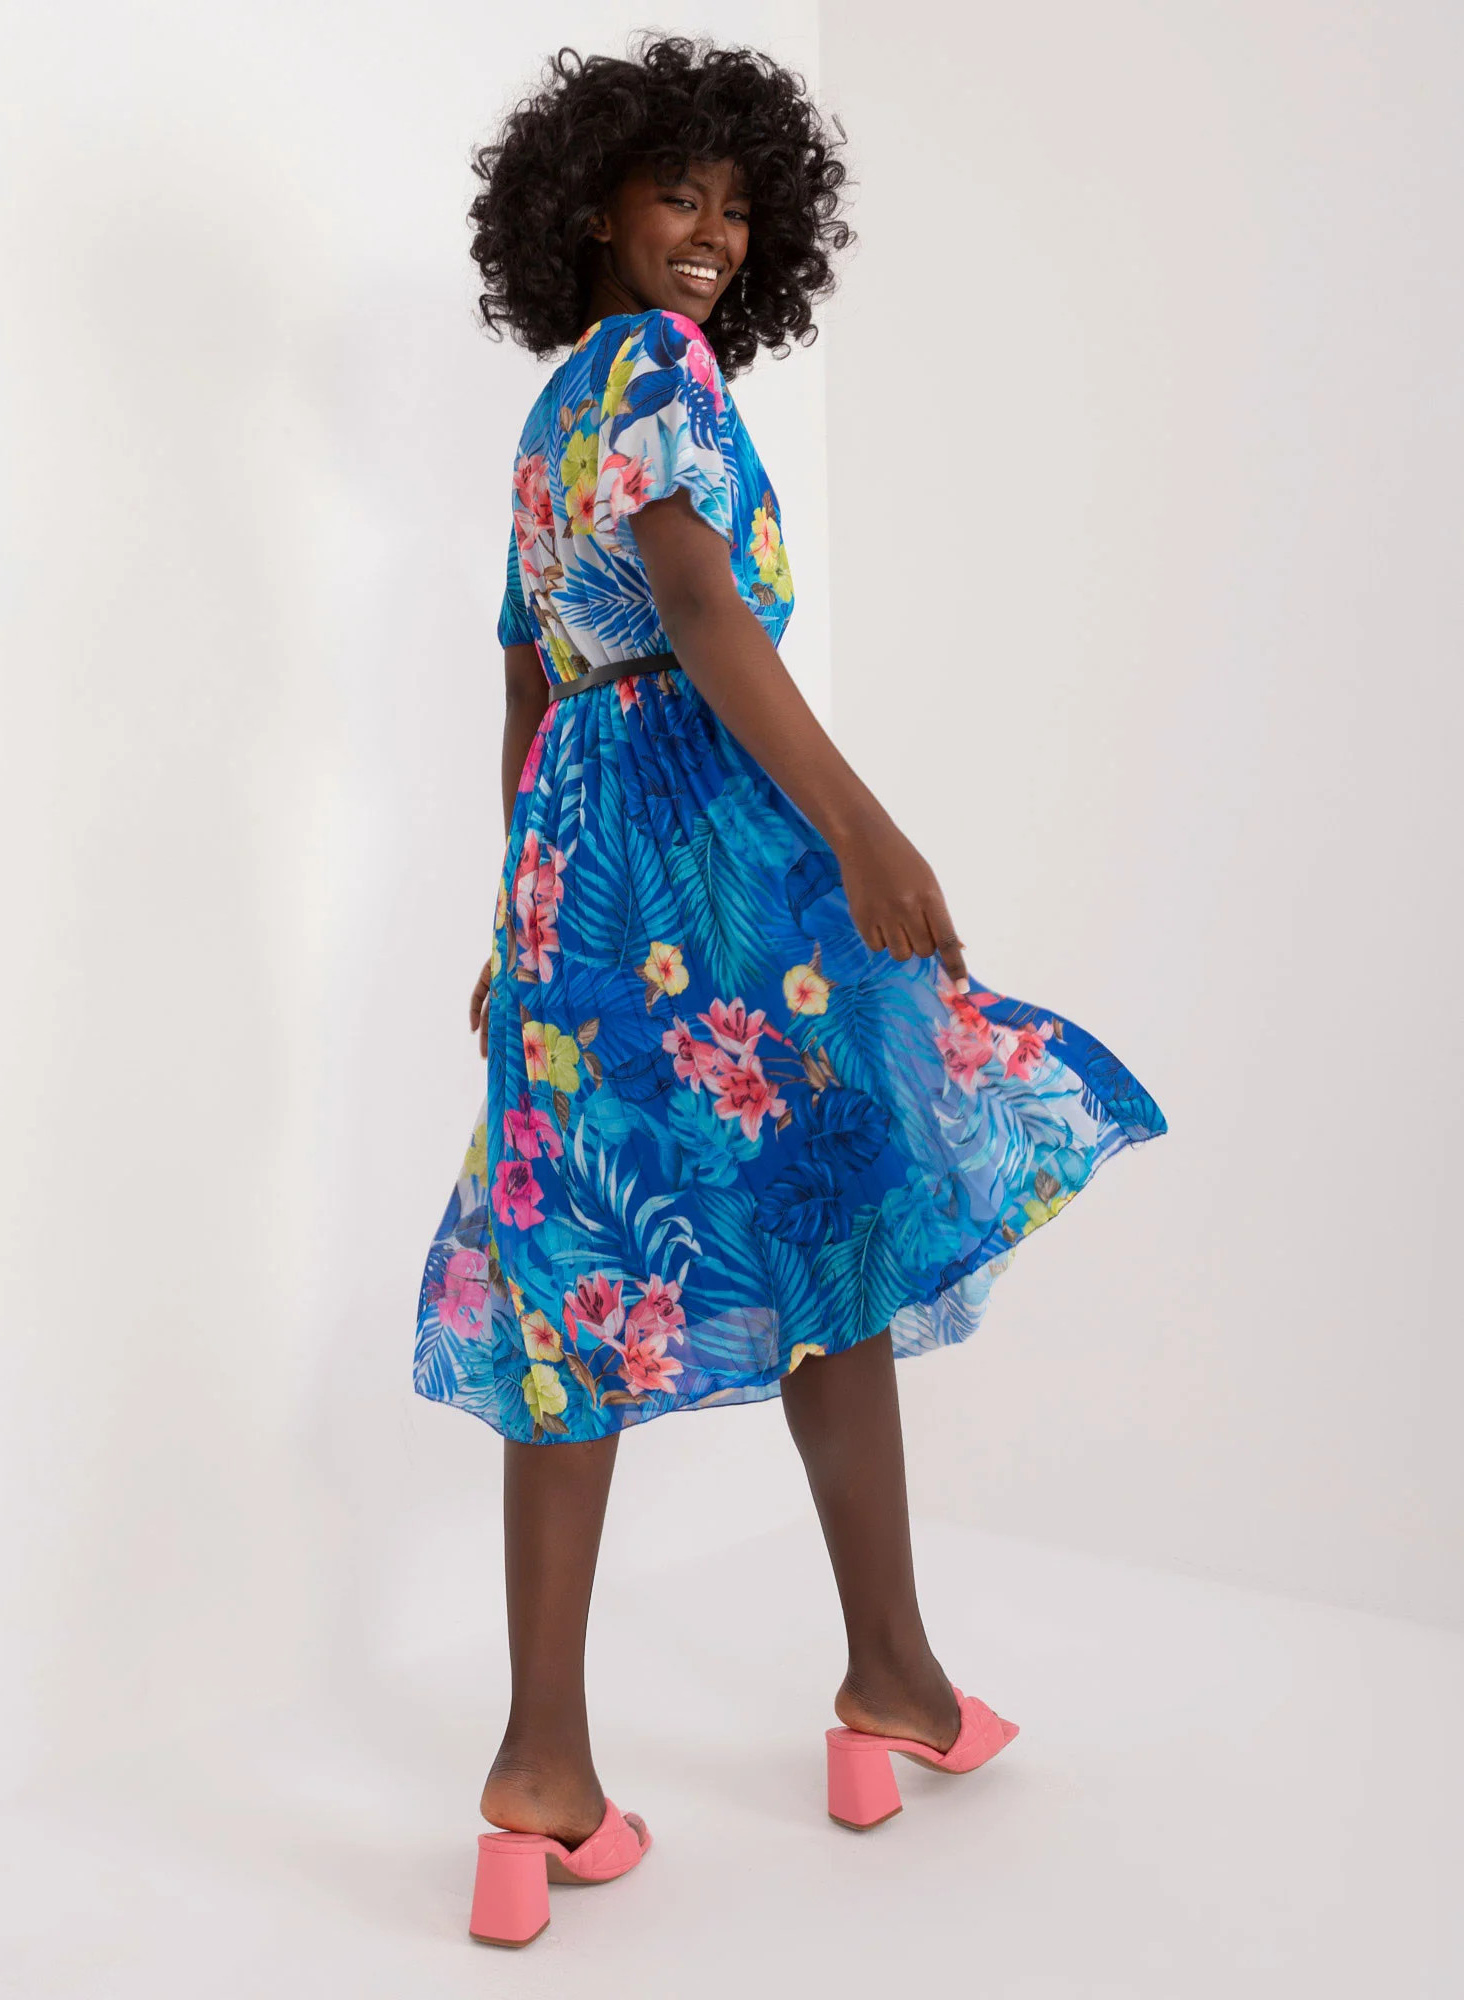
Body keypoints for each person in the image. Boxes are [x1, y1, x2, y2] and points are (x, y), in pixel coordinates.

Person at [414, 34, 1168, 1946]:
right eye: (680, 193)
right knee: (832, 1232)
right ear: (591, 205)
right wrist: (864, 830)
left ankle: (546, 1771)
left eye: (742, 208)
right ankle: (890, 1682)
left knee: (576, 1283)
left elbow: (530, 685)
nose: (715, 237)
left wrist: (517, 930)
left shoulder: (551, 416)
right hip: (719, 865)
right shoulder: (658, 374)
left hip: (581, 874)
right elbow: (692, 606)